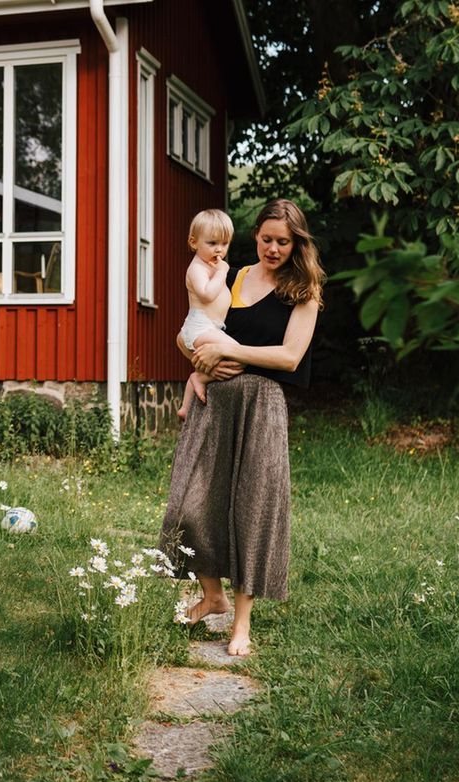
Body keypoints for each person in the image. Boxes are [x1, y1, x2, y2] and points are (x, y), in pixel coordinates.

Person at [162, 199, 325, 657]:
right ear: (255, 235)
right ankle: (211, 594)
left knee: (251, 510)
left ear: (297, 244)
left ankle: (241, 624)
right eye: (267, 238)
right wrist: (196, 361)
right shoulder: (231, 276)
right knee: (190, 502)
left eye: (283, 241)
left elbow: (289, 356)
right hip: (214, 401)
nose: (273, 248)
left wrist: (231, 352)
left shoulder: (303, 291)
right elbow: (194, 326)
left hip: (263, 405)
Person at [176, 209, 241, 421]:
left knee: (228, 361)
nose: (219, 250)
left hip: (208, 327)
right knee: (240, 354)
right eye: (212, 243)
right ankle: (200, 378)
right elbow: (206, 294)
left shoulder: (211, 267)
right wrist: (222, 272)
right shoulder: (197, 268)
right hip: (200, 327)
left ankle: (185, 407)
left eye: (224, 244)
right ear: (194, 243)